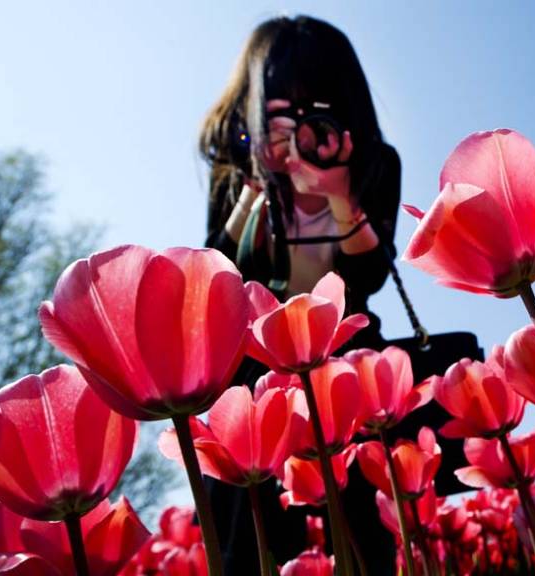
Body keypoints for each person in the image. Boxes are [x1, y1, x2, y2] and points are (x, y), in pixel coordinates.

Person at [199, 15, 400, 574]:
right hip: (252, 370)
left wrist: (341, 196)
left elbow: (372, 276)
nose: (304, 118)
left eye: (319, 100)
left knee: (364, 534)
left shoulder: (374, 164)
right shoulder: (235, 172)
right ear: (257, 103)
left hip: (346, 368)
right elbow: (215, 268)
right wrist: (257, 186)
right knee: (250, 532)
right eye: (285, 102)